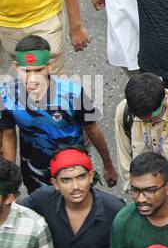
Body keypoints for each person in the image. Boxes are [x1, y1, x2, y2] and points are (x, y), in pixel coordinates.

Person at [0, 36, 115, 194]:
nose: (32, 77)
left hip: (73, 172)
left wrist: (108, 165)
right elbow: (8, 136)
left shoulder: (73, 94)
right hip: (35, 173)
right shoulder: (7, 95)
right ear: (16, 66)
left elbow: (92, 130)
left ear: (50, 65)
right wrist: (9, 181)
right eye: (26, 71)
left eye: (39, 70)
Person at [17, 148, 124, 248]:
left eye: (81, 177)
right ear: (55, 183)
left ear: (91, 177)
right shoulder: (43, 199)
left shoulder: (115, 209)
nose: (75, 187)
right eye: (66, 180)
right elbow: (13, 211)